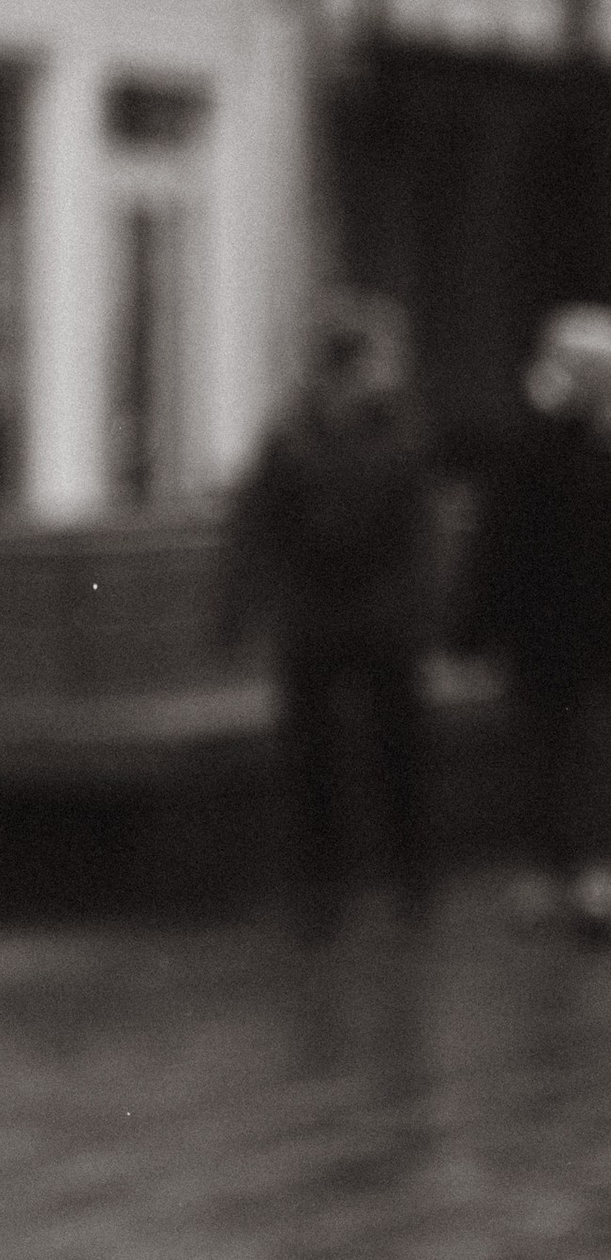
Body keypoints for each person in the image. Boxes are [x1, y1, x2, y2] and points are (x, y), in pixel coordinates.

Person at [223, 291, 439, 936]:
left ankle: (373, 883)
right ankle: (360, 884)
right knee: (340, 757)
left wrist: (245, 606)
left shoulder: (310, 435)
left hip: (351, 617)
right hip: (342, 618)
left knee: (372, 754)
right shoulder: (376, 431)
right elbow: (265, 525)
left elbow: (260, 526)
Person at [460, 304, 611, 939]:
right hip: (551, 629)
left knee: (581, 752)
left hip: (584, 629)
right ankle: (562, 869)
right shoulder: (533, 445)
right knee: (550, 752)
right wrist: (474, 628)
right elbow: (499, 540)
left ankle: (586, 871)